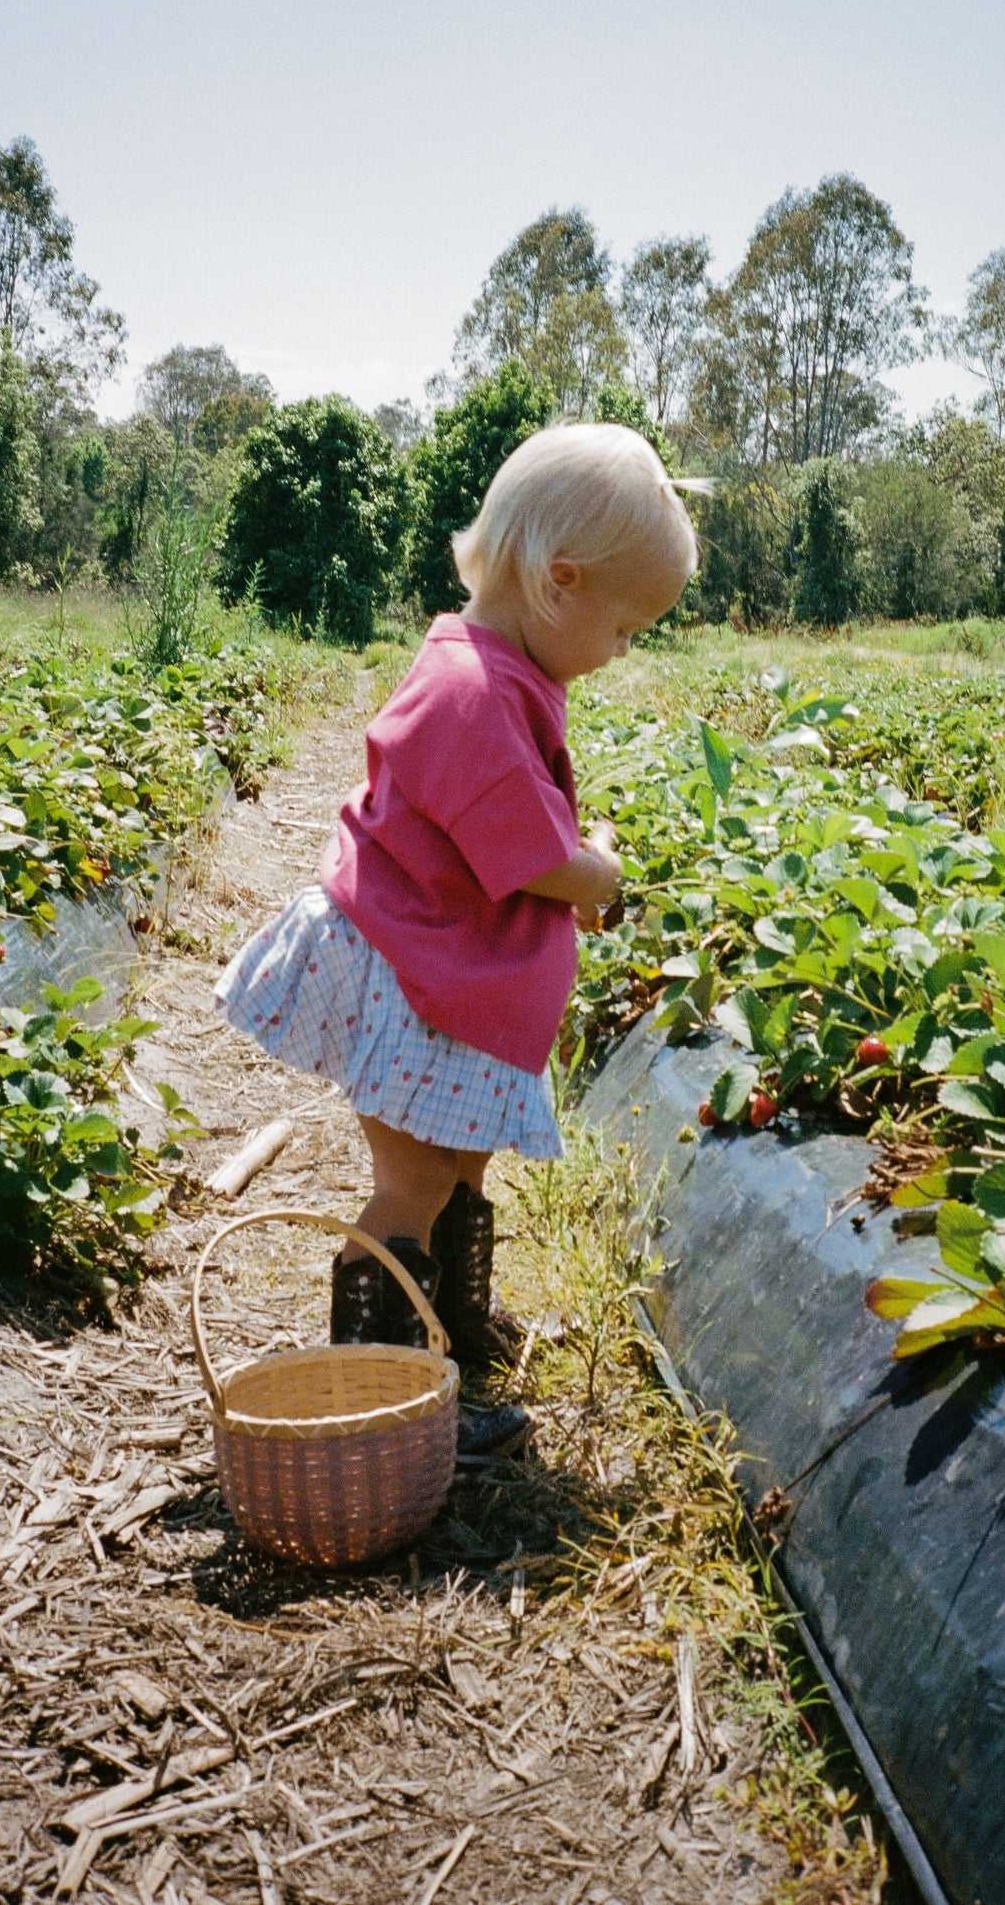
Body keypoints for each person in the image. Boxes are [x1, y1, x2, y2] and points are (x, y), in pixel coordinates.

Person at [215, 421, 697, 1456]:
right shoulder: (472, 690)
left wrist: (574, 843)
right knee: (414, 1184)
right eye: (626, 627)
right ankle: (378, 1393)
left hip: (440, 980)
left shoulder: (495, 669)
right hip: (412, 984)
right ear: (559, 582)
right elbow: (526, 855)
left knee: (460, 1165)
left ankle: (455, 1334)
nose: (623, 652)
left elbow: (516, 824)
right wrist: (596, 872)